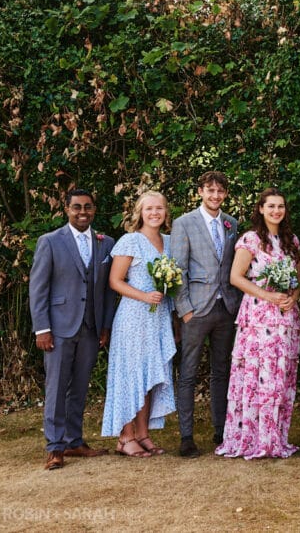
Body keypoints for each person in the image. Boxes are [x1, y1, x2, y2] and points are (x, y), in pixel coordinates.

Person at [30, 188, 117, 470]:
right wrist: (41, 329)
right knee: (56, 388)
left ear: (94, 209)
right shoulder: (50, 241)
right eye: (77, 207)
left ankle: (74, 440)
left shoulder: (106, 243)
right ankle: (55, 447)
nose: (83, 212)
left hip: (91, 327)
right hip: (58, 327)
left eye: (88, 207)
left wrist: (105, 326)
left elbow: (107, 291)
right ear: (67, 209)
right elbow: (38, 289)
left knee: (79, 387)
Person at [216, 188, 300, 459]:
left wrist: (293, 297)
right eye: (271, 206)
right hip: (258, 317)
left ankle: (275, 438)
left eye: (281, 206)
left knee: (279, 377)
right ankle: (251, 438)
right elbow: (236, 277)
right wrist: (268, 296)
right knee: (258, 376)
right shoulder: (250, 239)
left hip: (285, 318)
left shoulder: (291, 241)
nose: (276, 211)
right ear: (261, 209)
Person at [170, 171, 241, 458]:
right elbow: (177, 269)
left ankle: (221, 429)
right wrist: (184, 309)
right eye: (210, 190)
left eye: (220, 191)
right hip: (196, 310)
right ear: (200, 192)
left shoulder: (232, 223)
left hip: (226, 308)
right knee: (188, 373)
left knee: (221, 370)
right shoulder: (184, 223)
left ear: (225, 194)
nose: (215, 196)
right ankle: (186, 436)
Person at [101, 190, 177, 457]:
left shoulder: (170, 242)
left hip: (159, 318)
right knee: (130, 375)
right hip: (133, 317)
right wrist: (144, 296)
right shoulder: (131, 240)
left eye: (159, 208)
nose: (155, 213)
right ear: (140, 213)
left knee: (150, 376)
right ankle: (125, 437)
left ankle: (143, 434)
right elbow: (115, 281)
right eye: (149, 208)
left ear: (166, 212)